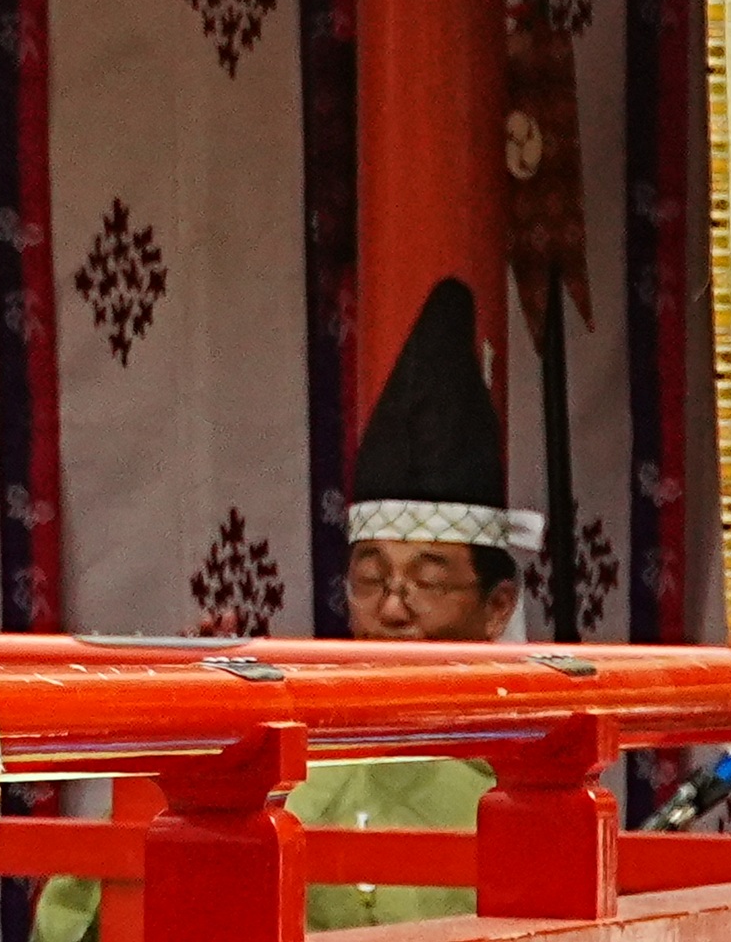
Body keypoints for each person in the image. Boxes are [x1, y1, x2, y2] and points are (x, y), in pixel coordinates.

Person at [34, 280, 530, 941]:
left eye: (426, 583)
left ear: (496, 607)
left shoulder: (520, 782)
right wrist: (194, 747)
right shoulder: (287, 747)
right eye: (370, 577)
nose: (390, 605)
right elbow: (81, 921)